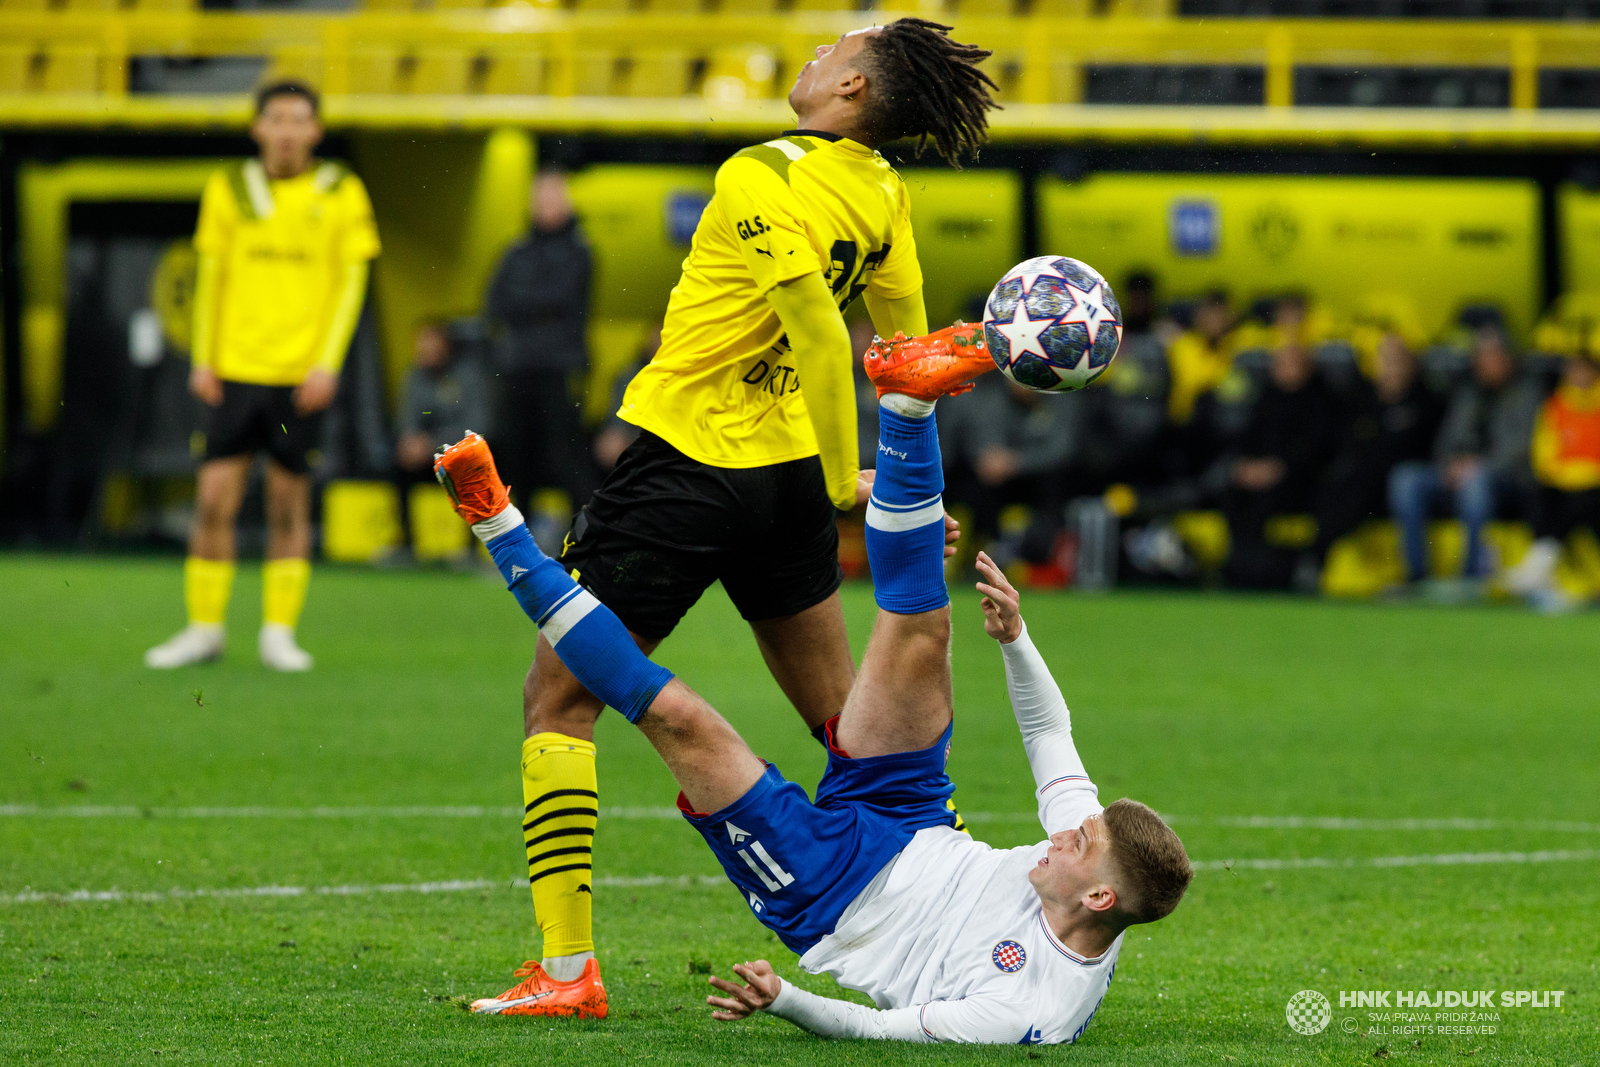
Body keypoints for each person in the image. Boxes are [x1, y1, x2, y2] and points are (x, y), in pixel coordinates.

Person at [430, 343, 1191, 1041]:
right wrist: (1017, 639)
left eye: (1079, 843)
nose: (1065, 831)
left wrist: (785, 997)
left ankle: (497, 524)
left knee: (675, 715)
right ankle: (910, 401)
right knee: (924, 625)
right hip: (916, 816)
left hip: (834, 895)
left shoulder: (1030, 1007)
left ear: (1097, 899)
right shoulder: (1092, 861)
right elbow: (1048, 735)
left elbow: (880, 1032)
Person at [477, 19, 1001, 1014]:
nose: (808, 59)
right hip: (787, 478)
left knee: (559, 700)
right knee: (854, 733)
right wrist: (897, 485)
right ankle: (959, 913)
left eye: (828, 51)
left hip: (692, 465)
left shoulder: (759, 172)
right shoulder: (883, 191)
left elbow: (815, 322)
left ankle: (565, 969)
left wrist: (858, 480)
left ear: (851, 87)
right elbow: (909, 358)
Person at [145, 80, 379, 671]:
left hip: (299, 376)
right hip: (233, 371)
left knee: (286, 505)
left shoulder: (341, 190)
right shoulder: (229, 188)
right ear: (257, 128)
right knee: (213, 501)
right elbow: (211, 276)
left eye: (299, 120)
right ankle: (204, 629)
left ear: (315, 131)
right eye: (276, 119)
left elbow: (351, 284)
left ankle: (278, 633)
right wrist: (202, 357)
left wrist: (327, 363)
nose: (286, 131)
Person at [483, 167, 596, 527]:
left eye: (552, 196)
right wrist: (538, 309)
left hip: (561, 367)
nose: (545, 204)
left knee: (567, 456)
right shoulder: (516, 250)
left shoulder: (580, 250)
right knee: (516, 458)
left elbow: (564, 298)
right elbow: (495, 302)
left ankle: (582, 541)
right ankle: (521, 541)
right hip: (518, 366)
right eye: (539, 197)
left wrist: (526, 306)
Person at [1388, 327, 1542, 588]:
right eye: (1480, 354)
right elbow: (1446, 439)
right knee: (1406, 478)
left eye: (1492, 354)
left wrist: (1478, 467)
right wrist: (1450, 465)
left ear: (1508, 358)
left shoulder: (1528, 392)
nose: (1485, 360)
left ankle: (1471, 578)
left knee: (1476, 482)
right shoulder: (1468, 393)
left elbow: (1524, 446)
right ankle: (1416, 575)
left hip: (1506, 478)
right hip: (1458, 472)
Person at [1311, 332, 1442, 570]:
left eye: (1396, 360)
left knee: (1398, 481)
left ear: (1411, 364)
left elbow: (1420, 449)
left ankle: (1416, 573)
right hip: (1362, 479)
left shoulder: (1425, 401)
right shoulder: (1361, 399)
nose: (1390, 368)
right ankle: (1316, 560)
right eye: (1385, 360)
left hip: (1397, 479)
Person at [1215, 342, 1341, 589]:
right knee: (1229, 493)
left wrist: (1280, 469)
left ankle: (1272, 572)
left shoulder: (1319, 401)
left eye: (1295, 365)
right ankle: (1238, 567)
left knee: (1266, 501)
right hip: (1261, 476)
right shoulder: (1266, 398)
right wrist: (1246, 467)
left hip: (1300, 480)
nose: (1288, 370)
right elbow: (1248, 439)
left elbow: (1319, 449)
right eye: (1283, 364)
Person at [1503, 350, 1600, 610]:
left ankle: (1542, 567)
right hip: (1563, 483)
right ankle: (1553, 575)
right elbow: (1543, 454)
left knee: (1583, 501)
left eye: (1583, 370)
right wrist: (1568, 475)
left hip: (1594, 484)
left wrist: (1582, 474)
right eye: (1573, 370)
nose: (1578, 376)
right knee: (1543, 497)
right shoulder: (1556, 406)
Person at [392, 320, 488, 554]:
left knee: (471, 466)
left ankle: (470, 548)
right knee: (398, 466)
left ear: (446, 345)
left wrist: (433, 444)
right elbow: (406, 418)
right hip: (425, 457)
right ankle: (406, 544)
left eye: (430, 341)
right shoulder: (414, 375)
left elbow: (478, 425)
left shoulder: (468, 376)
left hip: (457, 453)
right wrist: (410, 441)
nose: (424, 348)